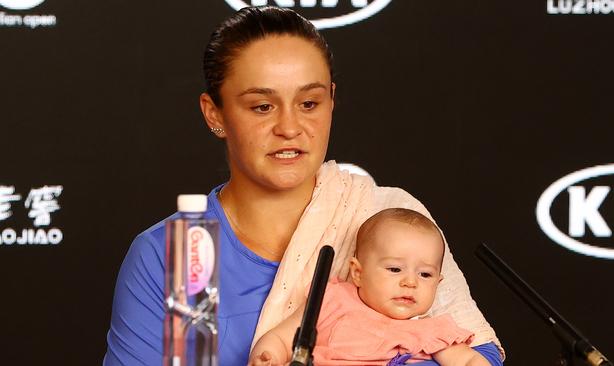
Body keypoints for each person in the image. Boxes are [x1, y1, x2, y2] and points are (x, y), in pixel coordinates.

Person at [103, 6, 504, 366]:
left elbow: (477, 351)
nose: (290, 128)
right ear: (215, 114)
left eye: (309, 103)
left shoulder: (381, 217)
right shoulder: (189, 252)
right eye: (262, 106)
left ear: (331, 101)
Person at [249, 208, 490, 366]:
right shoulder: (332, 300)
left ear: (438, 283)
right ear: (358, 273)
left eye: (425, 274)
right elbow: (283, 337)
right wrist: (268, 356)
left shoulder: (429, 331)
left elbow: (469, 361)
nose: (410, 282)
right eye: (395, 269)